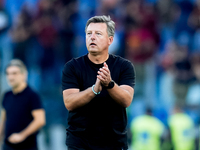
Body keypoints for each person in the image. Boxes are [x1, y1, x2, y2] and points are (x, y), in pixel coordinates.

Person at [62, 15, 135, 150]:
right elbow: (69, 103)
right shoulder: (72, 67)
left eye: (98, 34)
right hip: (80, 142)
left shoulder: (124, 66)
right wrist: (94, 90)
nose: (92, 37)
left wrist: (110, 84)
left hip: (114, 142)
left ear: (110, 40)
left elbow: (126, 100)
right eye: (89, 33)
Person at [0, 59, 46, 150]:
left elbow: (40, 120)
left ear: (24, 75)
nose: (10, 77)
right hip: (8, 146)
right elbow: (4, 120)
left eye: (14, 73)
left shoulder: (32, 95)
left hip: (27, 146)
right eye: (8, 74)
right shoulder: (7, 95)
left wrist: (21, 135)